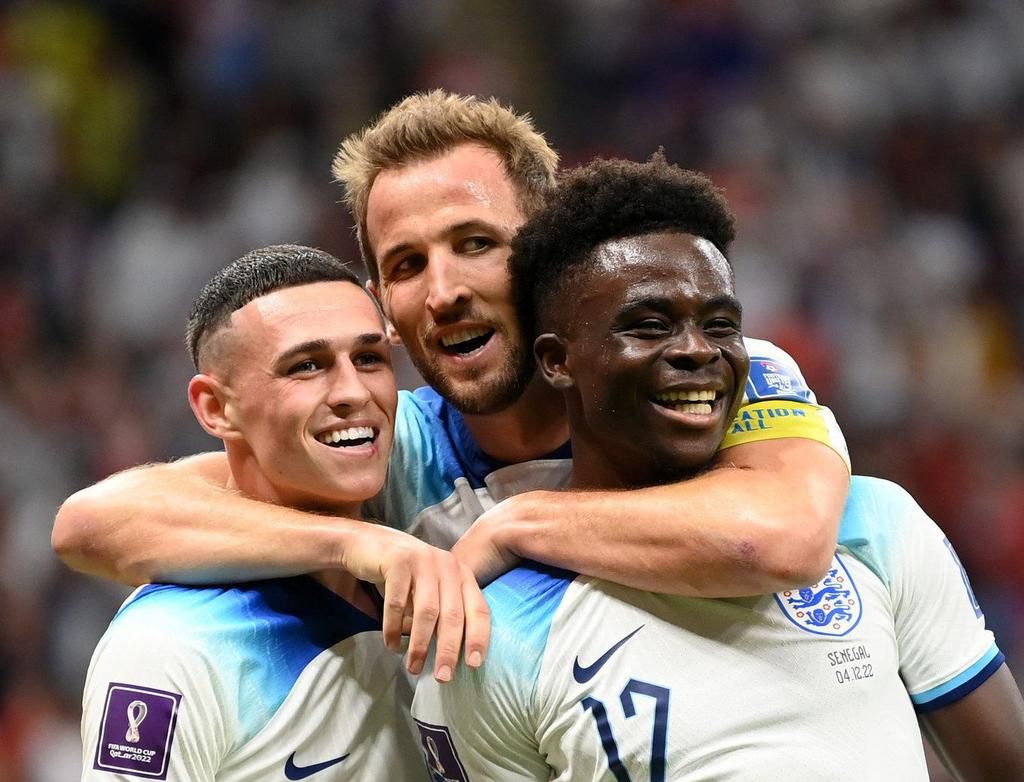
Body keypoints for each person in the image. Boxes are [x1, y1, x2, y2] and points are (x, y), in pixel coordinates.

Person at [411, 156, 1024, 782]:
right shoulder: (492, 629)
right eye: (649, 324)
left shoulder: (871, 527)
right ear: (557, 360)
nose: (696, 351)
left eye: (720, 323)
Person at [51, 91, 852, 686]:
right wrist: (356, 542)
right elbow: (93, 523)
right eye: (406, 266)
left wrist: (521, 524)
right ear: (386, 311)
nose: (443, 292)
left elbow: (780, 536)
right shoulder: (387, 454)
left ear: (547, 257)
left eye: (475, 245)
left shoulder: (697, 372)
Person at [74, 244, 625, 782]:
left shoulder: (413, 619)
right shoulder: (168, 645)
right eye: (306, 367)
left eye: (370, 359)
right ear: (215, 408)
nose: (352, 394)